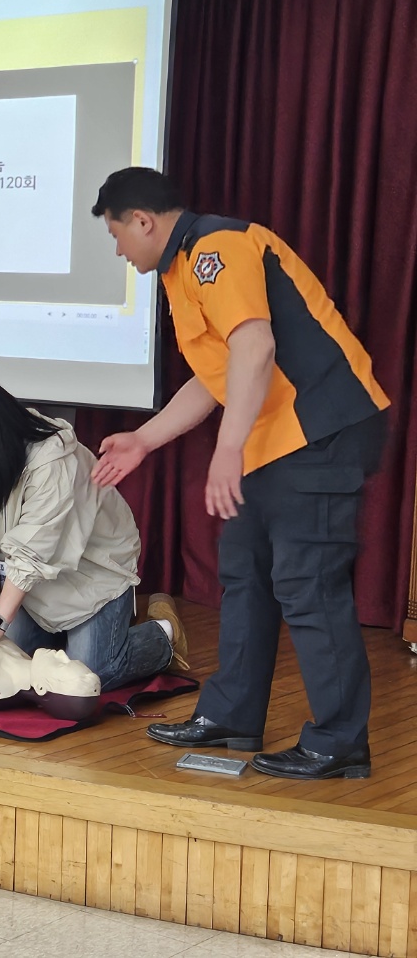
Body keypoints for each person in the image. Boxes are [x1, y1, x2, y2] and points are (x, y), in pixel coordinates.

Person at [91, 167, 390, 780]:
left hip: (320, 430)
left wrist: (226, 451)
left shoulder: (216, 249)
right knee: (245, 572)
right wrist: (145, 439)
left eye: (116, 235)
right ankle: (231, 716)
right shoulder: (181, 269)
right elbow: (218, 376)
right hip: (275, 437)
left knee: (308, 584)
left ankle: (339, 744)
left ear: (143, 221)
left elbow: (255, 349)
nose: (119, 250)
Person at [0, 377, 184, 691]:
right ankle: (70, 639)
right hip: (26, 580)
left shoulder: (52, 457)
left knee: (88, 676)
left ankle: (163, 632)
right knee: (8, 669)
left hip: (90, 572)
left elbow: (33, 553)